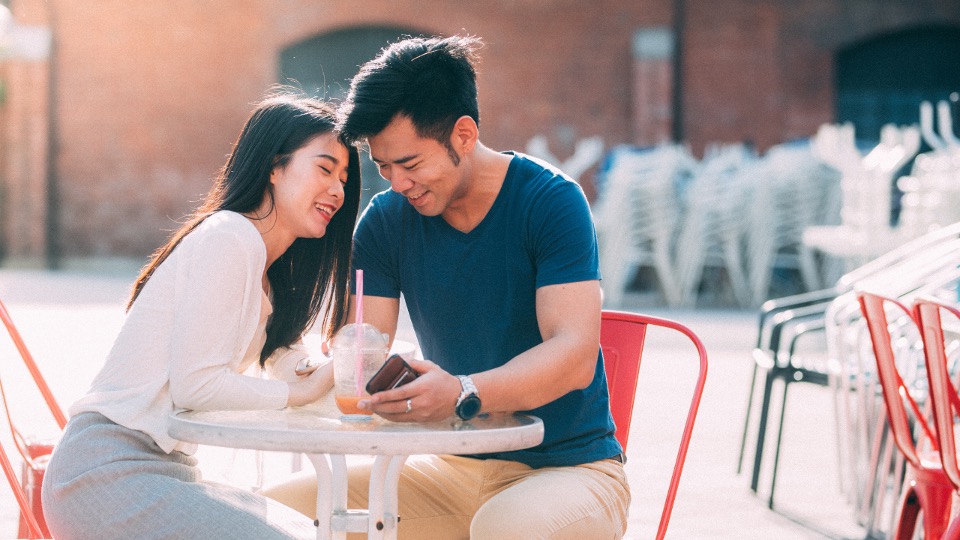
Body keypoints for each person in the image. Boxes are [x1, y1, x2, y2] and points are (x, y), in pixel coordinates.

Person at [264, 35, 630, 539]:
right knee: (264, 515)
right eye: (383, 167)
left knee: (505, 528)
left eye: (410, 164)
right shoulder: (386, 222)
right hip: (452, 465)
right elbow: (364, 346)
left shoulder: (550, 201)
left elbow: (573, 354)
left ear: (462, 135)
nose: (397, 183)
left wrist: (463, 392)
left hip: (567, 471)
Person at [42, 89, 362, 540]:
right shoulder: (230, 238)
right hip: (106, 470)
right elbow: (198, 383)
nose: (338, 190)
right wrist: (298, 393)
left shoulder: (270, 273)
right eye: (325, 168)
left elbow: (287, 363)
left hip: (169, 471)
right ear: (274, 166)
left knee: (321, 532)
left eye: (345, 179)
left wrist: (337, 363)